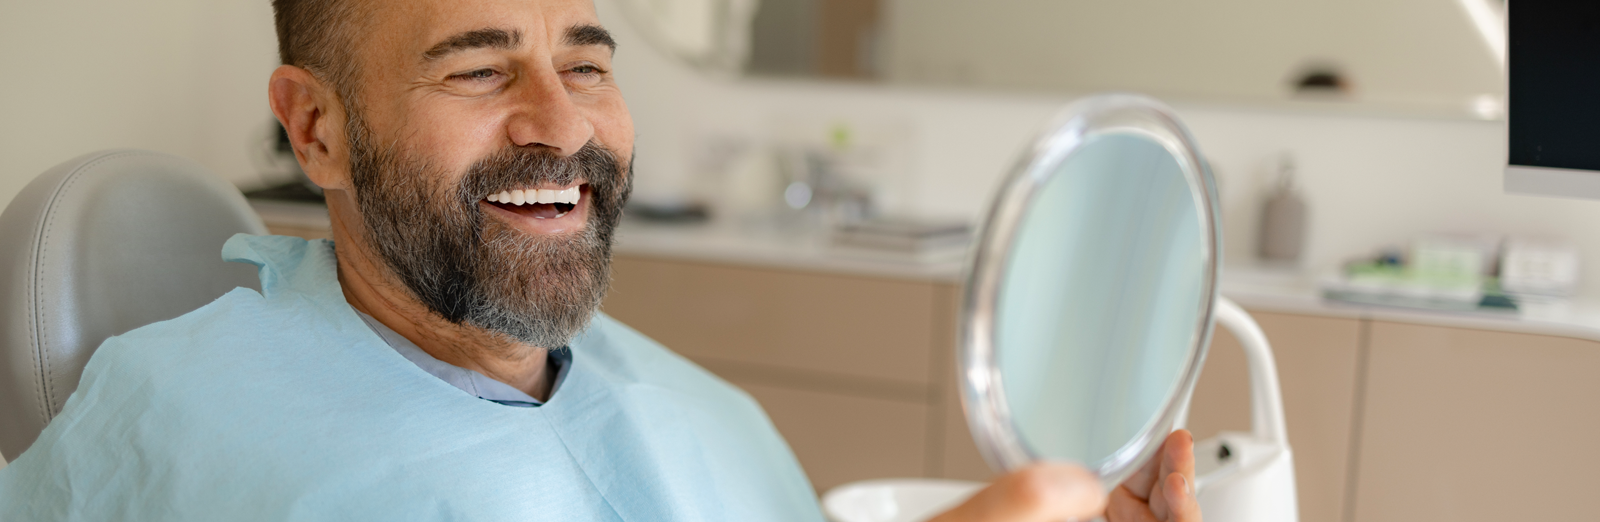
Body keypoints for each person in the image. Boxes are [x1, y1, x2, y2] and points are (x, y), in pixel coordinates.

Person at [0, 0, 1201, 520]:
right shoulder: (186, 423)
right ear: (315, 129)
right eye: (477, 69)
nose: (561, 124)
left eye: (585, 63)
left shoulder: (695, 407)